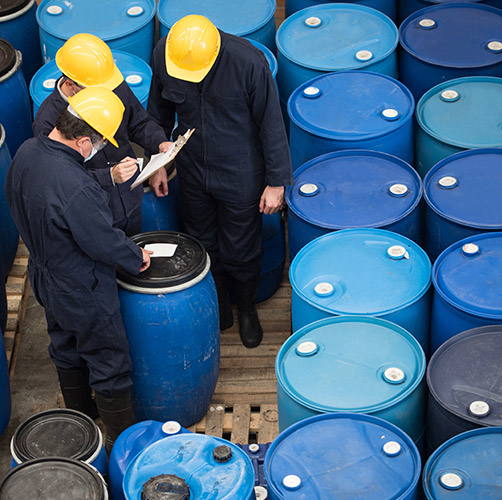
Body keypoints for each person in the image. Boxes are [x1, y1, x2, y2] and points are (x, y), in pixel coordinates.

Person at [5, 86, 153, 453]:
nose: (102, 148)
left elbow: (38, 197)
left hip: (45, 275)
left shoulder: (26, 152)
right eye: (100, 141)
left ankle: (82, 424)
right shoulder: (74, 186)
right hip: (83, 286)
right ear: (84, 141)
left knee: (66, 347)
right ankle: (122, 444)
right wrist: (135, 256)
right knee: (109, 361)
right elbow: (101, 238)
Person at [147, 15, 293, 348]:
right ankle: (218, 307)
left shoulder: (248, 63)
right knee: (201, 240)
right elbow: (157, 113)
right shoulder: (164, 55)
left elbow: (271, 124)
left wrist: (276, 183)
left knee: (241, 247)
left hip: (241, 170)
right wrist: (158, 163)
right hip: (193, 167)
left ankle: (245, 310)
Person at [33, 33, 173, 236]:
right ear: (71, 84)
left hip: (130, 198)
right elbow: (57, 179)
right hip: (92, 215)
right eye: (96, 90)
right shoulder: (47, 121)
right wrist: (108, 176)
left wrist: (159, 145)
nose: (105, 95)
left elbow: (139, 123)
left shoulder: (109, 85)